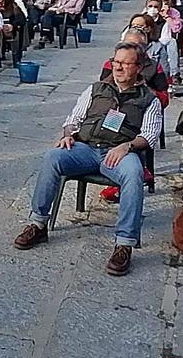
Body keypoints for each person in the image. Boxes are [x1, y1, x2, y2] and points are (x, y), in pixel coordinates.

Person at [13, 42, 164, 277]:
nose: (119, 68)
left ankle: (124, 243)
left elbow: (150, 135)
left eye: (125, 63)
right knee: (53, 156)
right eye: (116, 62)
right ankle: (39, 224)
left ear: (139, 68)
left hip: (118, 152)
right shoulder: (96, 89)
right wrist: (68, 136)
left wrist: (128, 146)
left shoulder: (149, 100)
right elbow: (73, 118)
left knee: (134, 173)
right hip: (86, 148)